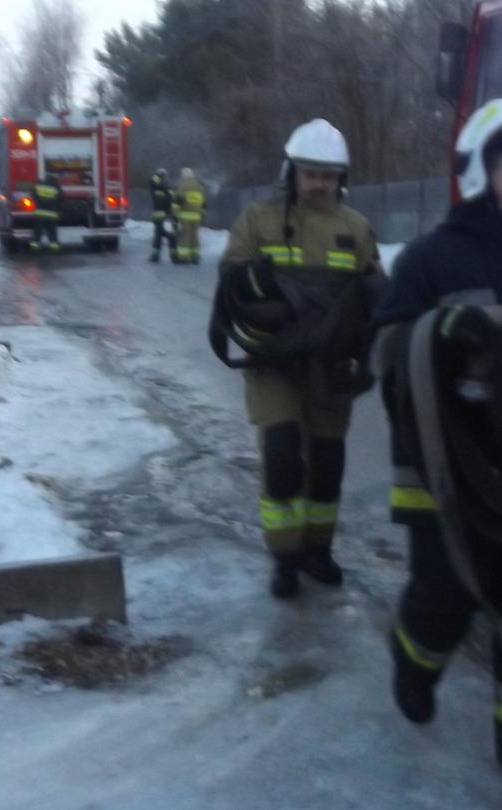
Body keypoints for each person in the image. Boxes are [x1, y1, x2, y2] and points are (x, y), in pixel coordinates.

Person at [372, 99, 502, 802]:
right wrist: (441, 340)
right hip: (443, 476)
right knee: (446, 597)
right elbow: (387, 352)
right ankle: (413, 660)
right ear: (479, 176)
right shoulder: (428, 260)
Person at [214, 119, 381, 599]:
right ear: (292, 172)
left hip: (331, 366)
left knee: (327, 460)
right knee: (283, 454)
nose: (320, 184)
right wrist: (254, 284)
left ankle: (318, 550)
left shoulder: (355, 228)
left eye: (328, 175)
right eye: (311, 174)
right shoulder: (259, 220)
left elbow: (374, 286)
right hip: (275, 363)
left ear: (341, 178)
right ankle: (285, 557)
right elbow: (229, 277)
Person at [172, 168, 206, 265]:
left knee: (184, 237)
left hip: (184, 216)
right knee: (194, 236)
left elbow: (176, 203)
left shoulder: (182, 186)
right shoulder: (199, 187)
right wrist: (202, 216)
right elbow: (204, 204)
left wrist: (175, 217)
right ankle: (195, 256)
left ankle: (184, 257)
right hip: (196, 217)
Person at [30, 170, 63, 253]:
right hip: (52, 215)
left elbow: (33, 194)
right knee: (52, 234)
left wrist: (38, 202)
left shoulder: (38, 185)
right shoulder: (56, 187)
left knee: (37, 233)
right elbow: (61, 198)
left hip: (39, 214)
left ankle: (35, 248)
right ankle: (54, 248)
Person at [148, 167, 175, 263]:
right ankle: (171, 252)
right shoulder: (163, 186)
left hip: (159, 212)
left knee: (158, 233)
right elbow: (153, 181)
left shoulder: (160, 186)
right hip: (164, 213)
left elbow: (153, 182)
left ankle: (156, 254)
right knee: (160, 233)